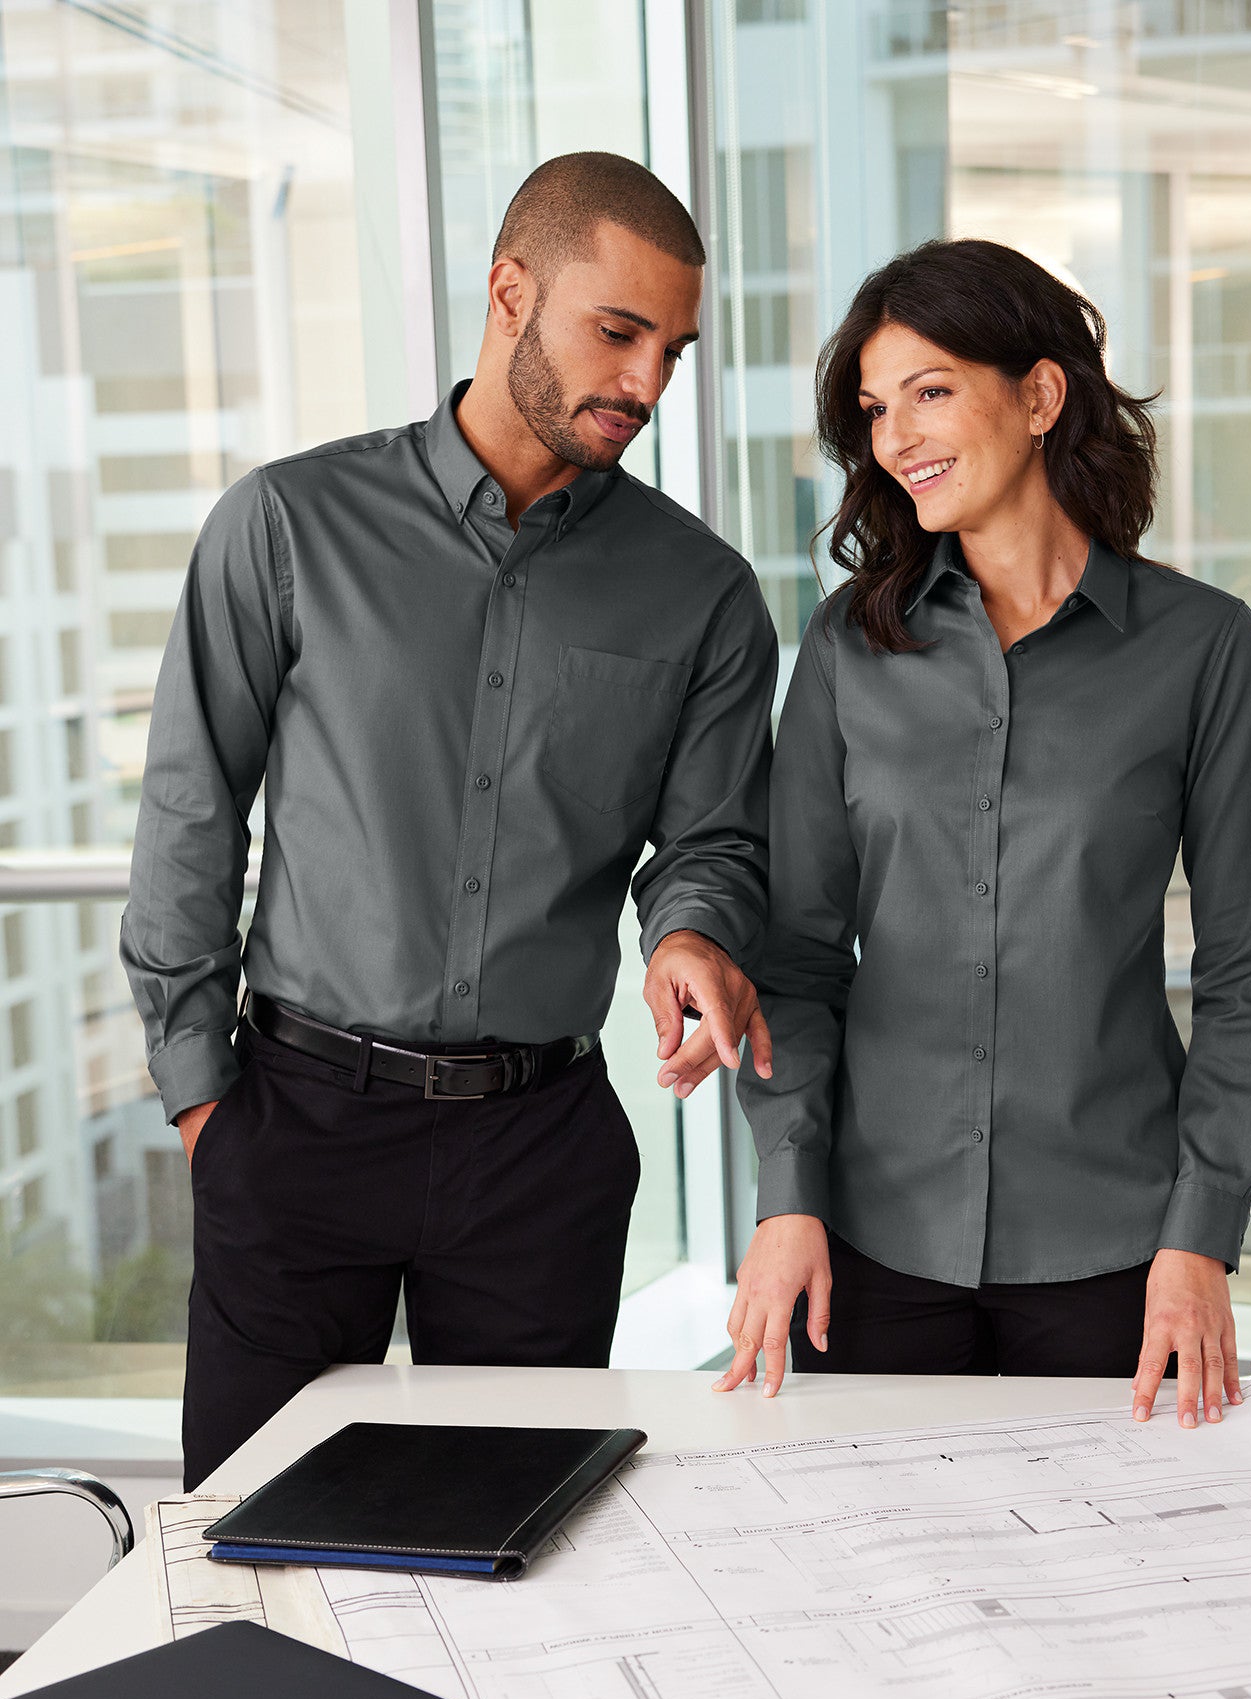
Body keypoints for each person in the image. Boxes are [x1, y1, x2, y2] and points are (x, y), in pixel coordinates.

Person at [122, 152, 778, 1489]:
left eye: (673, 349)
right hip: (294, 1125)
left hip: (536, 1153)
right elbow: (194, 808)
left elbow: (706, 842)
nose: (647, 385)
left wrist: (689, 937)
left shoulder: (700, 595)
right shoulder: (290, 525)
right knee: (256, 1545)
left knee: (513, 1553)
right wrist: (205, 1106)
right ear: (508, 290)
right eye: (618, 332)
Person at [710, 237, 1251, 1424]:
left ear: (1038, 395)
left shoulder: (1199, 648)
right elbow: (797, 958)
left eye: (930, 391)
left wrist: (1198, 1237)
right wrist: (788, 1196)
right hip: (868, 1244)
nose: (896, 437)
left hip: (1119, 1255)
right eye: (877, 408)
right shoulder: (845, 648)